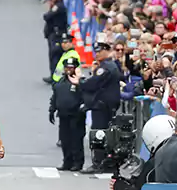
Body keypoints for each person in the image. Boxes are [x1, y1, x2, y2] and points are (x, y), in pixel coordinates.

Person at [80, 40, 122, 173]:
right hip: (106, 105)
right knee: (107, 134)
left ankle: (98, 163)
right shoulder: (110, 65)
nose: (96, 54)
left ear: (106, 51)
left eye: (99, 51)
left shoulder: (106, 67)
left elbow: (93, 83)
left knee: (98, 134)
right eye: (96, 51)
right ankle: (107, 162)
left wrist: (81, 81)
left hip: (102, 105)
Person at [49, 57, 86, 171]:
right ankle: (67, 161)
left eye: (71, 68)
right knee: (65, 140)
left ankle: (77, 162)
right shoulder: (60, 82)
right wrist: (52, 109)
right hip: (63, 115)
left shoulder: (81, 82)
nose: (68, 70)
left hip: (76, 116)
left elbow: (86, 96)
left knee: (76, 140)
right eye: (67, 68)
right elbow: (55, 96)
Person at [42, 0, 68, 84]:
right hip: (54, 33)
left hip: (57, 35)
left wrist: (51, 7)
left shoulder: (58, 6)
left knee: (55, 56)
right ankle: (54, 75)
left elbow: (47, 16)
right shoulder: (58, 6)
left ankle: (55, 77)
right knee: (54, 56)